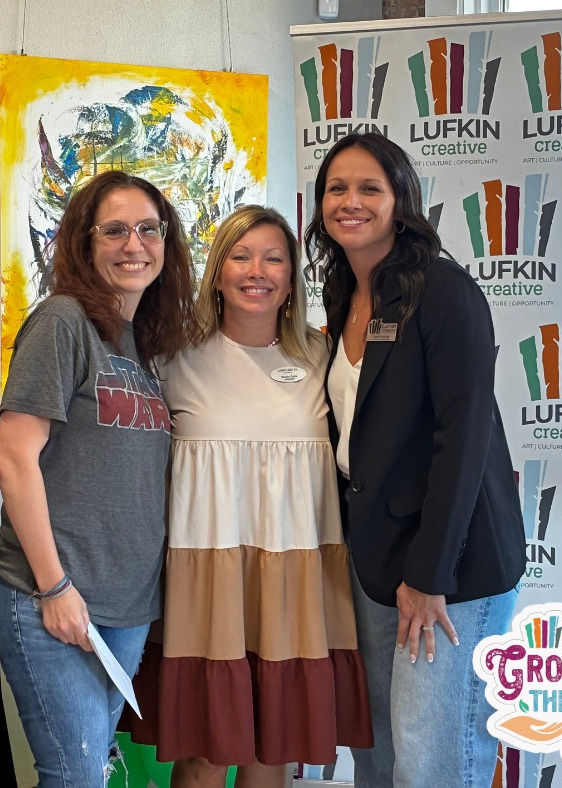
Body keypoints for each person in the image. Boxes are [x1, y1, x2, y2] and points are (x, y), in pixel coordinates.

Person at [305, 132, 526, 787]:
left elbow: (464, 438)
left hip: (450, 566)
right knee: (379, 750)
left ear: (402, 199)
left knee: (433, 758)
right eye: (336, 188)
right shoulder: (346, 293)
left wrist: (430, 576)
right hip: (378, 559)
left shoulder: (443, 291)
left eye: (369, 187)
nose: (350, 201)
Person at [129, 205, 372, 788]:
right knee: (207, 751)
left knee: (276, 745)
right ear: (217, 272)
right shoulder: (170, 359)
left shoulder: (324, 358)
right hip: (203, 577)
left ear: (291, 278)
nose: (255, 270)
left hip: (298, 574)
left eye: (273, 258)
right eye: (240, 256)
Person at [0, 170, 196, 787]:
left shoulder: (144, 342)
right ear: (84, 243)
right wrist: (54, 589)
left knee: (95, 767)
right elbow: (13, 456)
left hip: (126, 608)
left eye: (148, 230)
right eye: (114, 231)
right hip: (51, 595)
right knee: (75, 771)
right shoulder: (62, 322)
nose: (134, 244)